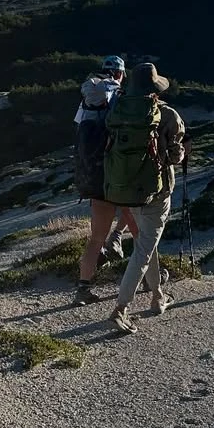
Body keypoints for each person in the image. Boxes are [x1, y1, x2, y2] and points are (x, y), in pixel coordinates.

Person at [102, 62, 186, 334]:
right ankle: (120, 308)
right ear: (155, 90)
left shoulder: (118, 111)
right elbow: (175, 155)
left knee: (146, 242)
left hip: (126, 190)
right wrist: (180, 154)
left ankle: (157, 296)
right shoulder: (168, 114)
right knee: (143, 249)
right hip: (158, 191)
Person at [73, 57, 138, 305]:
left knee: (95, 239)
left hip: (96, 178)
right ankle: (147, 278)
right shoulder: (118, 96)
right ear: (120, 74)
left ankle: (83, 288)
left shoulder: (87, 102)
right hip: (119, 175)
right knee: (140, 234)